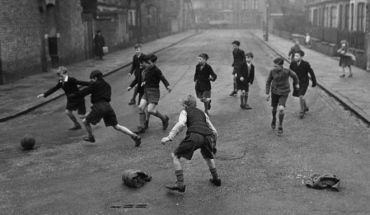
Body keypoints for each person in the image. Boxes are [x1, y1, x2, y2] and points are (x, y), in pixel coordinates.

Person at [161, 94, 220, 192]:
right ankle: (216, 179)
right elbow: (214, 131)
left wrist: (169, 137)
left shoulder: (185, 112)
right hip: (207, 136)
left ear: (185, 105)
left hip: (195, 136)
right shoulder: (203, 113)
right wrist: (213, 145)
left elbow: (181, 124)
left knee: (175, 156)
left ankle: (180, 184)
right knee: (208, 156)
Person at [69, 70, 141, 146]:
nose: (91, 81)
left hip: (98, 106)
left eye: (92, 79)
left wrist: (73, 95)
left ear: (95, 78)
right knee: (116, 126)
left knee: (85, 122)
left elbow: (84, 92)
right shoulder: (107, 85)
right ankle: (133, 135)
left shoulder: (94, 84)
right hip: (107, 106)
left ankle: (91, 137)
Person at [37, 66, 90, 130]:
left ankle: (93, 118)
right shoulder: (60, 81)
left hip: (78, 98)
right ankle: (77, 124)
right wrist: (44, 94)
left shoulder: (71, 79)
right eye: (58, 75)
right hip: (71, 99)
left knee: (82, 116)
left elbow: (82, 83)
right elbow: (54, 88)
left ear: (65, 74)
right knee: (68, 112)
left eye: (60, 75)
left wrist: (94, 84)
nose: (59, 77)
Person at [133, 54, 171, 134]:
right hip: (146, 91)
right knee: (140, 107)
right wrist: (144, 82)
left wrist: (167, 86)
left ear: (154, 62)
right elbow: (146, 78)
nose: (147, 64)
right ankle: (142, 127)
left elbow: (163, 79)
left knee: (150, 110)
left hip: (154, 92)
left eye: (149, 63)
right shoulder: (146, 69)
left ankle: (164, 118)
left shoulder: (157, 70)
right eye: (147, 63)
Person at [266, 58, 299, 135]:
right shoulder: (272, 71)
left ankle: (280, 125)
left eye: (276, 66)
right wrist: (267, 93)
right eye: (274, 66)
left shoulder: (287, 71)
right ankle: (274, 119)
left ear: (281, 65)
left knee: (281, 109)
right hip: (274, 91)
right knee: (274, 108)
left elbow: (295, 75)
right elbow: (268, 82)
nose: (274, 67)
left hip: (284, 92)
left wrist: (297, 83)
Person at [289, 50, 317, 119]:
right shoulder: (292, 63)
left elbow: (311, 73)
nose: (295, 57)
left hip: (304, 82)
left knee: (301, 96)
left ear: (301, 57)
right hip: (296, 82)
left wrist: (314, 82)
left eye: (297, 56)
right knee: (300, 95)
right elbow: (290, 72)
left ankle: (302, 111)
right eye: (295, 56)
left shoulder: (306, 64)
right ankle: (305, 107)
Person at [128, 60, 150, 131]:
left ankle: (146, 122)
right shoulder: (138, 71)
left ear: (145, 63)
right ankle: (143, 125)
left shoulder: (149, 71)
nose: (140, 65)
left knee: (148, 109)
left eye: (141, 63)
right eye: (139, 64)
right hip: (141, 92)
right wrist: (130, 86)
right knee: (141, 108)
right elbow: (136, 80)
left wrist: (145, 82)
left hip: (148, 91)